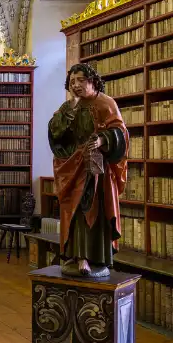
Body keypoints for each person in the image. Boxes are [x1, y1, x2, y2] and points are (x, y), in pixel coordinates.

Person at [48, 63, 128, 277]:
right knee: (73, 214)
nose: (76, 85)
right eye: (72, 81)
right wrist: (68, 112)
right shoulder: (68, 107)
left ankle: (95, 259)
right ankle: (77, 256)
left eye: (81, 80)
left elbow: (120, 133)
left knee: (93, 212)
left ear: (92, 81)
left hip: (96, 172)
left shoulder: (106, 103)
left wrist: (103, 139)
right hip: (73, 170)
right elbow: (55, 135)